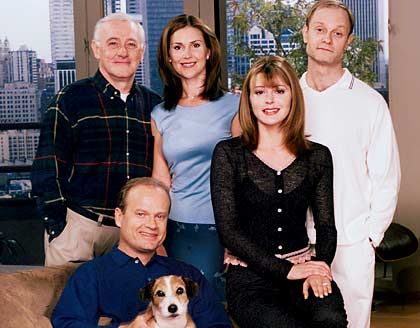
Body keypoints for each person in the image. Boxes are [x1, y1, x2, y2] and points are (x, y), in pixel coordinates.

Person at [210, 55, 347, 328]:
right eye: (260, 92)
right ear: (248, 99)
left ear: (293, 97)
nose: (269, 101)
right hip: (250, 278)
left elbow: (326, 226)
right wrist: (289, 271)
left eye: (279, 91)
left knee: (331, 319)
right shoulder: (228, 154)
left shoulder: (317, 156)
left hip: (305, 265)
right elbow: (229, 233)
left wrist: (320, 268)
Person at [31, 13, 161, 266]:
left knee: (130, 305)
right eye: (113, 43)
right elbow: (47, 166)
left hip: (133, 234)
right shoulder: (71, 99)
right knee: (70, 303)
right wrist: (58, 224)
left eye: (131, 44)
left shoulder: (154, 106)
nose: (123, 51)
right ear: (96, 49)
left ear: (142, 52)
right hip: (79, 227)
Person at [300, 1, 401, 327]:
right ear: (305, 33)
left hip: (351, 241)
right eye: (319, 29)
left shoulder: (369, 103)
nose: (327, 38)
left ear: (349, 41)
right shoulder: (286, 99)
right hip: (295, 241)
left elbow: (387, 176)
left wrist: (370, 236)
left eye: (337, 32)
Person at [51, 177, 232, 328]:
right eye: (141, 214)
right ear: (119, 217)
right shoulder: (91, 275)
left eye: (159, 216)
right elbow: (67, 324)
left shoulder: (187, 275)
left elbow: (218, 325)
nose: (152, 225)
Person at [151, 14, 240, 298]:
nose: (186, 54)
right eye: (177, 47)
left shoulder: (235, 105)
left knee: (209, 307)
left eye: (194, 45)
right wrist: (157, 232)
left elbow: (246, 174)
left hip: (220, 227)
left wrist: (238, 236)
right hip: (176, 227)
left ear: (209, 51)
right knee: (175, 311)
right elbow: (160, 179)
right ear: (168, 57)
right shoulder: (160, 113)